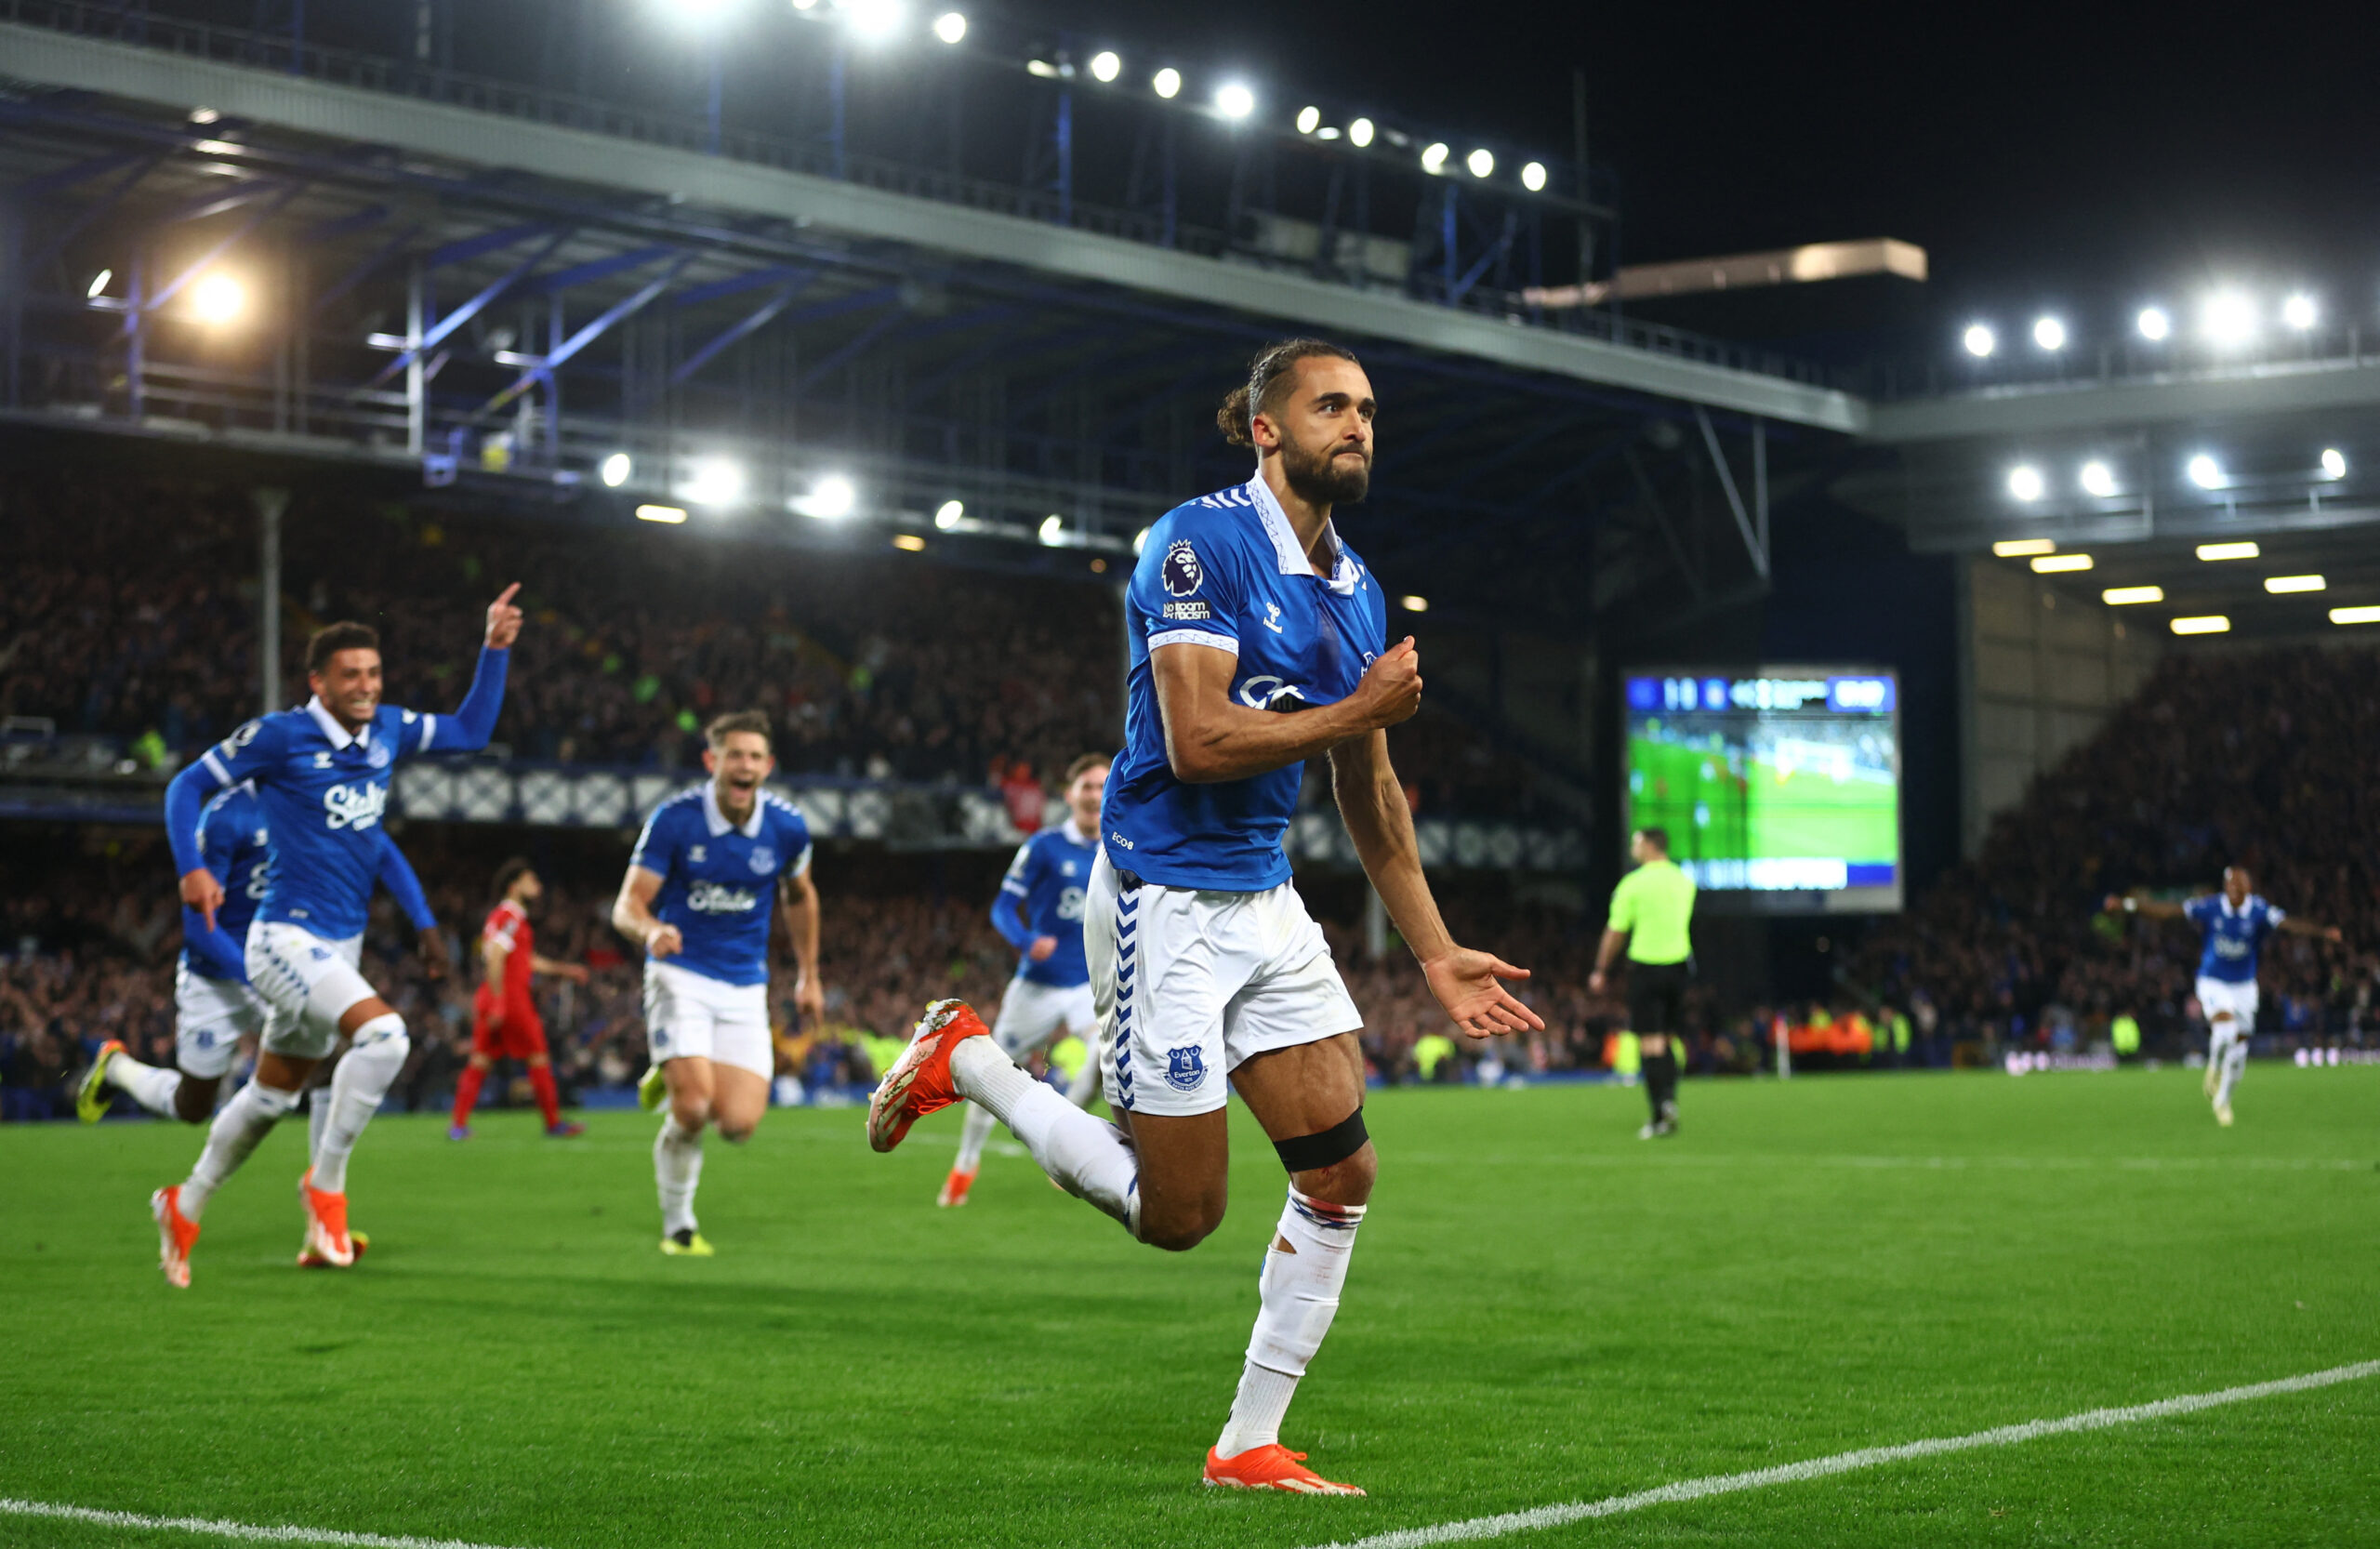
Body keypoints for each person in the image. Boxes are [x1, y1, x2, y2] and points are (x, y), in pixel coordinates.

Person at [866, 338, 1542, 1496]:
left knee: (1341, 1175)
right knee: (1179, 1216)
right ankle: (972, 1059)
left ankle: (1245, 1445)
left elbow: (1368, 788)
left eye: (1369, 410)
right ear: (1265, 426)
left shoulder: (1356, 586)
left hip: (1265, 900)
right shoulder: (1200, 540)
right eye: (1332, 405)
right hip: (1160, 897)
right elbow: (1198, 740)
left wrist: (1433, 952)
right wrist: (1356, 706)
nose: (1359, 425)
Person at [149, 590, 519, 1289]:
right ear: (317, 682)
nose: (367, 687)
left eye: (374, 674)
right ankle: (326, 1191)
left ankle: (184, 1201)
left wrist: (494, 649)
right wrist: (191, 868)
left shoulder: (389, 731)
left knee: (269, 1098)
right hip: (283, 939)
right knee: (387, 1038)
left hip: (338, 945)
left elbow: (470, 730)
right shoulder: (280, 737)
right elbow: (184, 788)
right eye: (351, 675)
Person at [79, 784, 438, 1127]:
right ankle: (117, 1069)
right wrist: (255, 974)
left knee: (334, 1054)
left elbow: (383, 850)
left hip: (282, 958)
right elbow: (199, 931)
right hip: (216, 975)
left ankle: (324, 1183)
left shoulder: (323, 802)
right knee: (192, 1106)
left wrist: (424, 923)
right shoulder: (226, 815)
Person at [613, 711, 825, 1256]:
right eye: (735, 755)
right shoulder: (676, 820)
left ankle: (674, 1068)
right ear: (713, 762)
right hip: (679, 973)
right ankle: (678, 1226)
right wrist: (651, 927)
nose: (745, 765)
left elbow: (799, 896)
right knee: (692, 1109)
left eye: (755, 756)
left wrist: (808, 974)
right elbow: (627, 905)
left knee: (738, 1124)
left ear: (768, 766)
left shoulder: (787, 826)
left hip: (744, 986)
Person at [940, 753, 1110, 1208]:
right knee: (989, 1076)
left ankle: (1066, 1151)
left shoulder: (1121, 848)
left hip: (1087, 988)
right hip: (1036, 985)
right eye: (1087, 786)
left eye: (1102, 785)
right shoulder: (1043, 846)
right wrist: (1026, 938)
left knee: (1103, 1056)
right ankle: (965, 1163)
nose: (1095, 794)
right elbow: (1002, 907)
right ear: (1070, 794)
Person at [2104, 867, 2341, 1125]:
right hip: (2213, 982)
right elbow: (2170, 911)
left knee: (2239, 1051)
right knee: (2225, 1030)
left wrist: (2323, 933)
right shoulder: (2212, 907)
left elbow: (2289, 924)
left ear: (2248, 889)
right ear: (2226, 888)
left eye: (2239, 888)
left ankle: (2223, 1101)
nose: (2234, 892)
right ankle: (2214, 1068)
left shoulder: (2258, 910)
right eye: (2230, 887)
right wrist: (2128, 905)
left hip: (2244, 987)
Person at [450, 858, 590, 1139]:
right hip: (511, 998)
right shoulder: (510, 917)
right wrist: (501, 1001)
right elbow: (496, 957)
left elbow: (525, 960)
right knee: (538, 1058)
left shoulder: (504, 918)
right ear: (515, 886)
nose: (537, 885)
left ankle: (458, 1125)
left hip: (493, 995)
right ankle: (553, 1123)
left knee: (480, 1061)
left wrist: (565, 970)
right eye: (531, 880)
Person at [1590, 827, 1697, 1138]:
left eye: (1637, 842)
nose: (1633, 847)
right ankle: (1669, 1101)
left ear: (1650, 846)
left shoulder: (1633, 884)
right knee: (1665, 1039)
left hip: (1647, 967)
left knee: (1649, 1042)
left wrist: (1601, 968)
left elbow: (1616, 931)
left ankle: (1660, 1110)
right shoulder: (1684, 881)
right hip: (1679, 966)